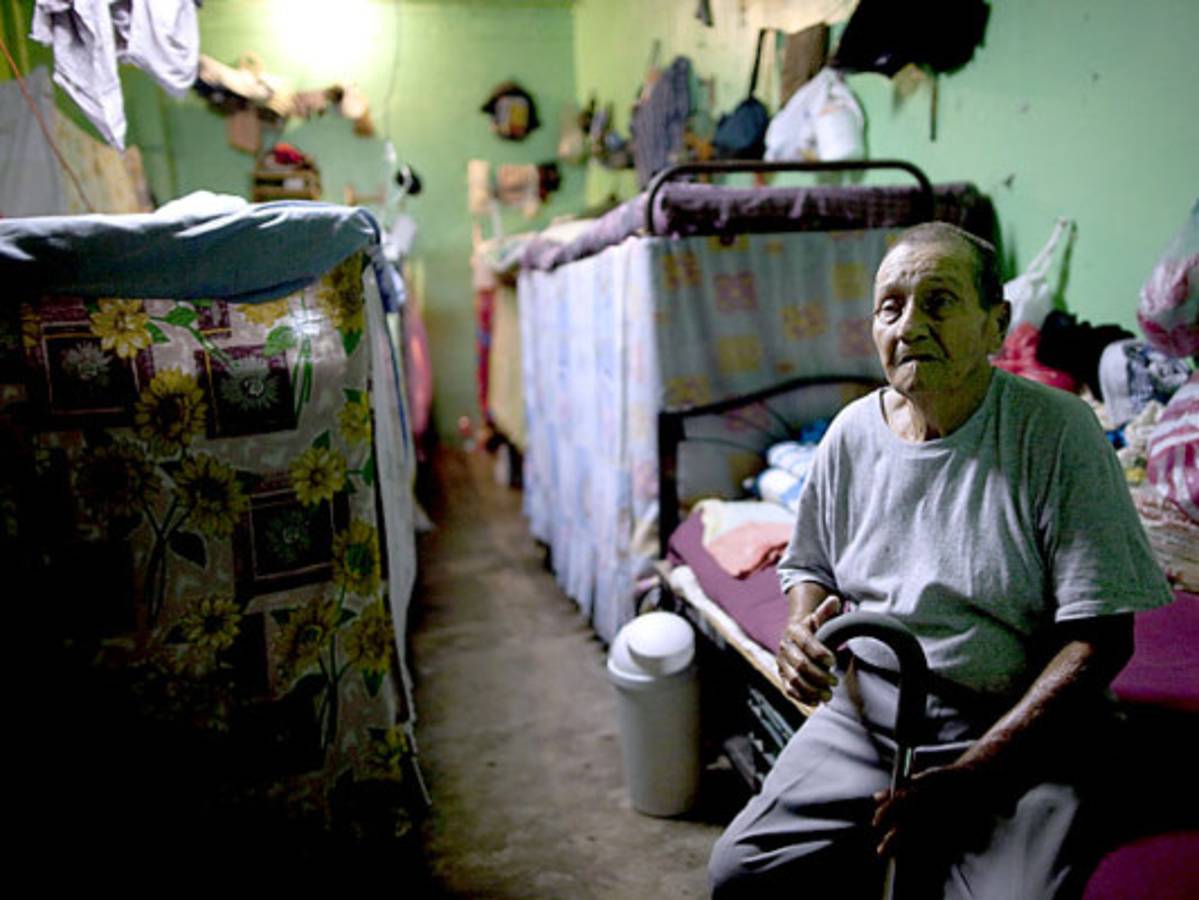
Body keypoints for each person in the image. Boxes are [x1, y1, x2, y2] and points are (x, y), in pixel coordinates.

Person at [708, 222, 1175, 899]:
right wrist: (800, 628)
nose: (908, 326)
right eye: (889, 307)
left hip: (1022, 725)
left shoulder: (1056, 432)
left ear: (995, 325)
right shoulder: (850, 434)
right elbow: (808, 566)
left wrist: (975, 777)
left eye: (938, 302)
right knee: (741, 871)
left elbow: (1101, 640)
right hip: (868, 710)